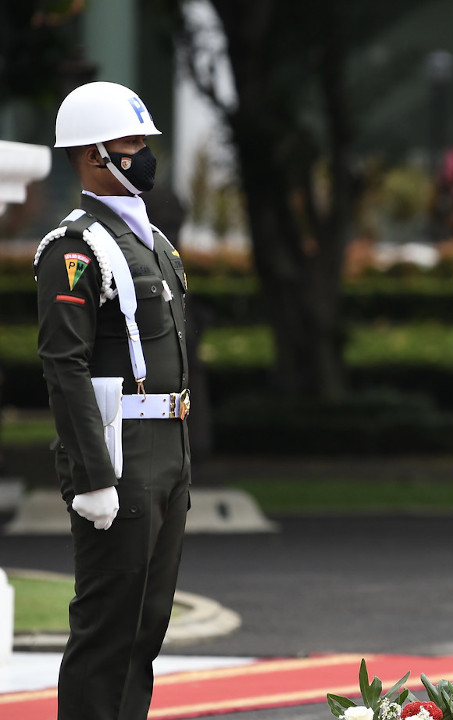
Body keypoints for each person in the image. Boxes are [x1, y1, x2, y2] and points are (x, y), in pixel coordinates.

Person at [35, 81, 191, 719]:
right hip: (121, 454)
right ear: (95, 155)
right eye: (132, 144)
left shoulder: (150, 240)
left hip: (166, 449)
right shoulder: (75, 247)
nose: (144, 155)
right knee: (108, 626)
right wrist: (93, 474)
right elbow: (63, 363)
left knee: (146, 624)